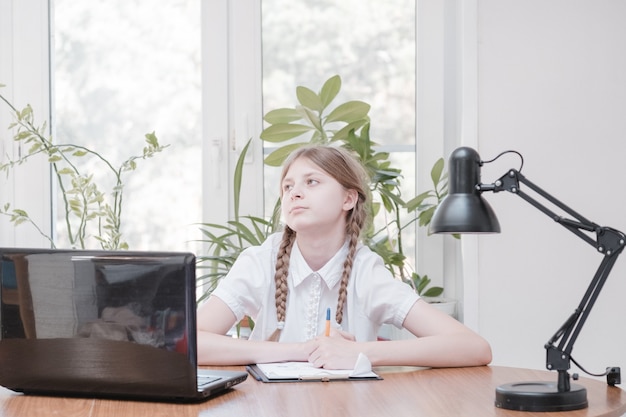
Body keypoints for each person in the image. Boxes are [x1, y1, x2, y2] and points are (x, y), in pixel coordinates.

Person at [197, 145, 492, 369]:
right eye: (288, 186)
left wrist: (360, 352)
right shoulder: (260, 262)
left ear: (348, 199)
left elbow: (473, 347)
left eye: (311, 181)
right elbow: (190, 344)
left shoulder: (366, 272)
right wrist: (300, 350)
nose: (294, 193)